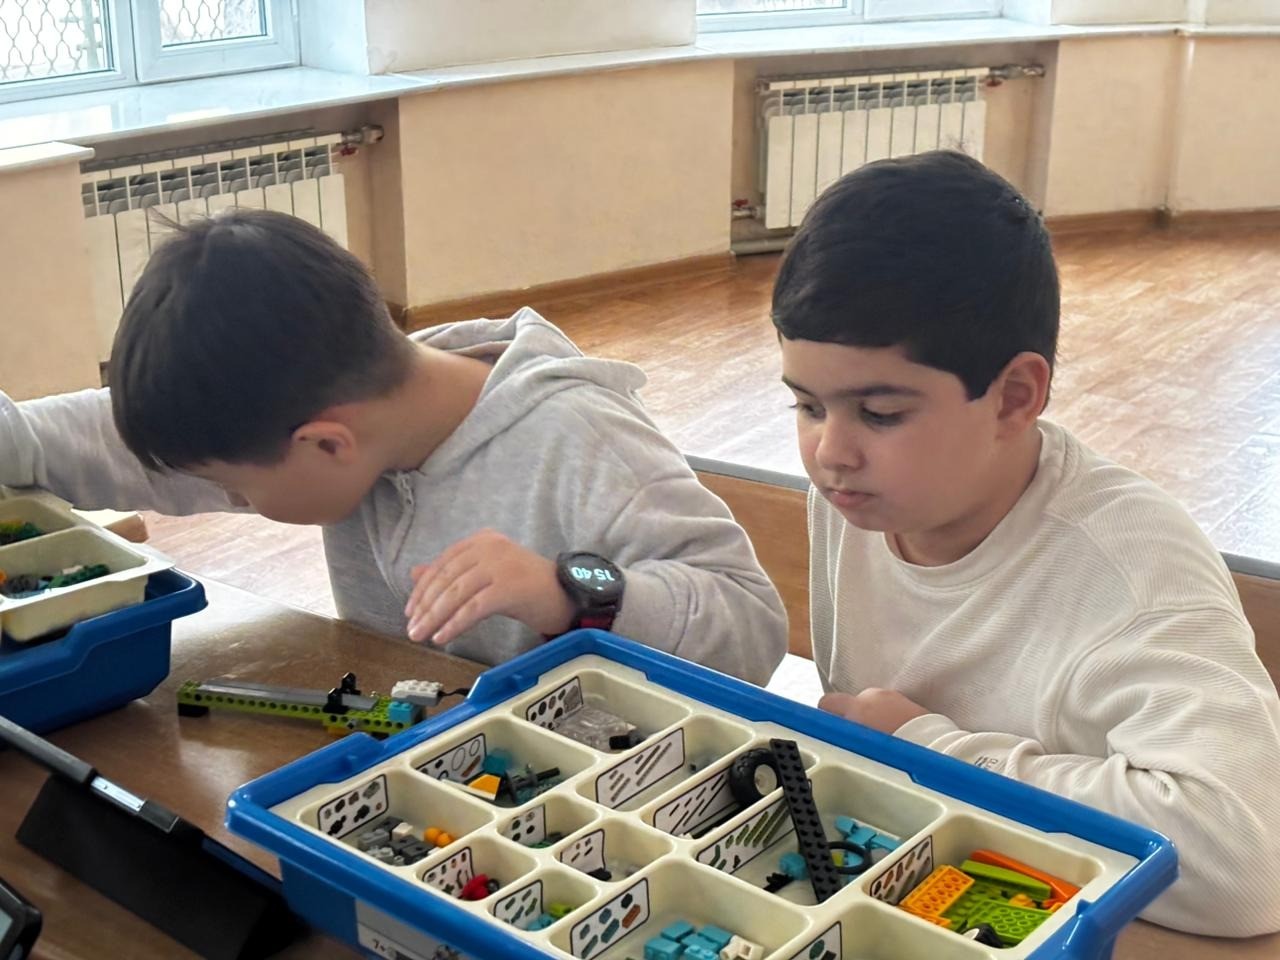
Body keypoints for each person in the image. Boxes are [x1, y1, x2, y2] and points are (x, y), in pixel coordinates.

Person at [773, 150, 1280, 936]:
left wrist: (927, 751)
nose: (830, 453)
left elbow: (1246, 866)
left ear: (1014, 396)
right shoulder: (859, 496)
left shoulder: (1131, 569)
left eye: (880, 413)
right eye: (808, 406)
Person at [0, 209, 787, 684]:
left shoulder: (584, 443)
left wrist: (569, 593)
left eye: (235, 487)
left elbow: (751, 626)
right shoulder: (336, 395)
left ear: (326, 443)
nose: (228, 498)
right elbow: (109, 441)